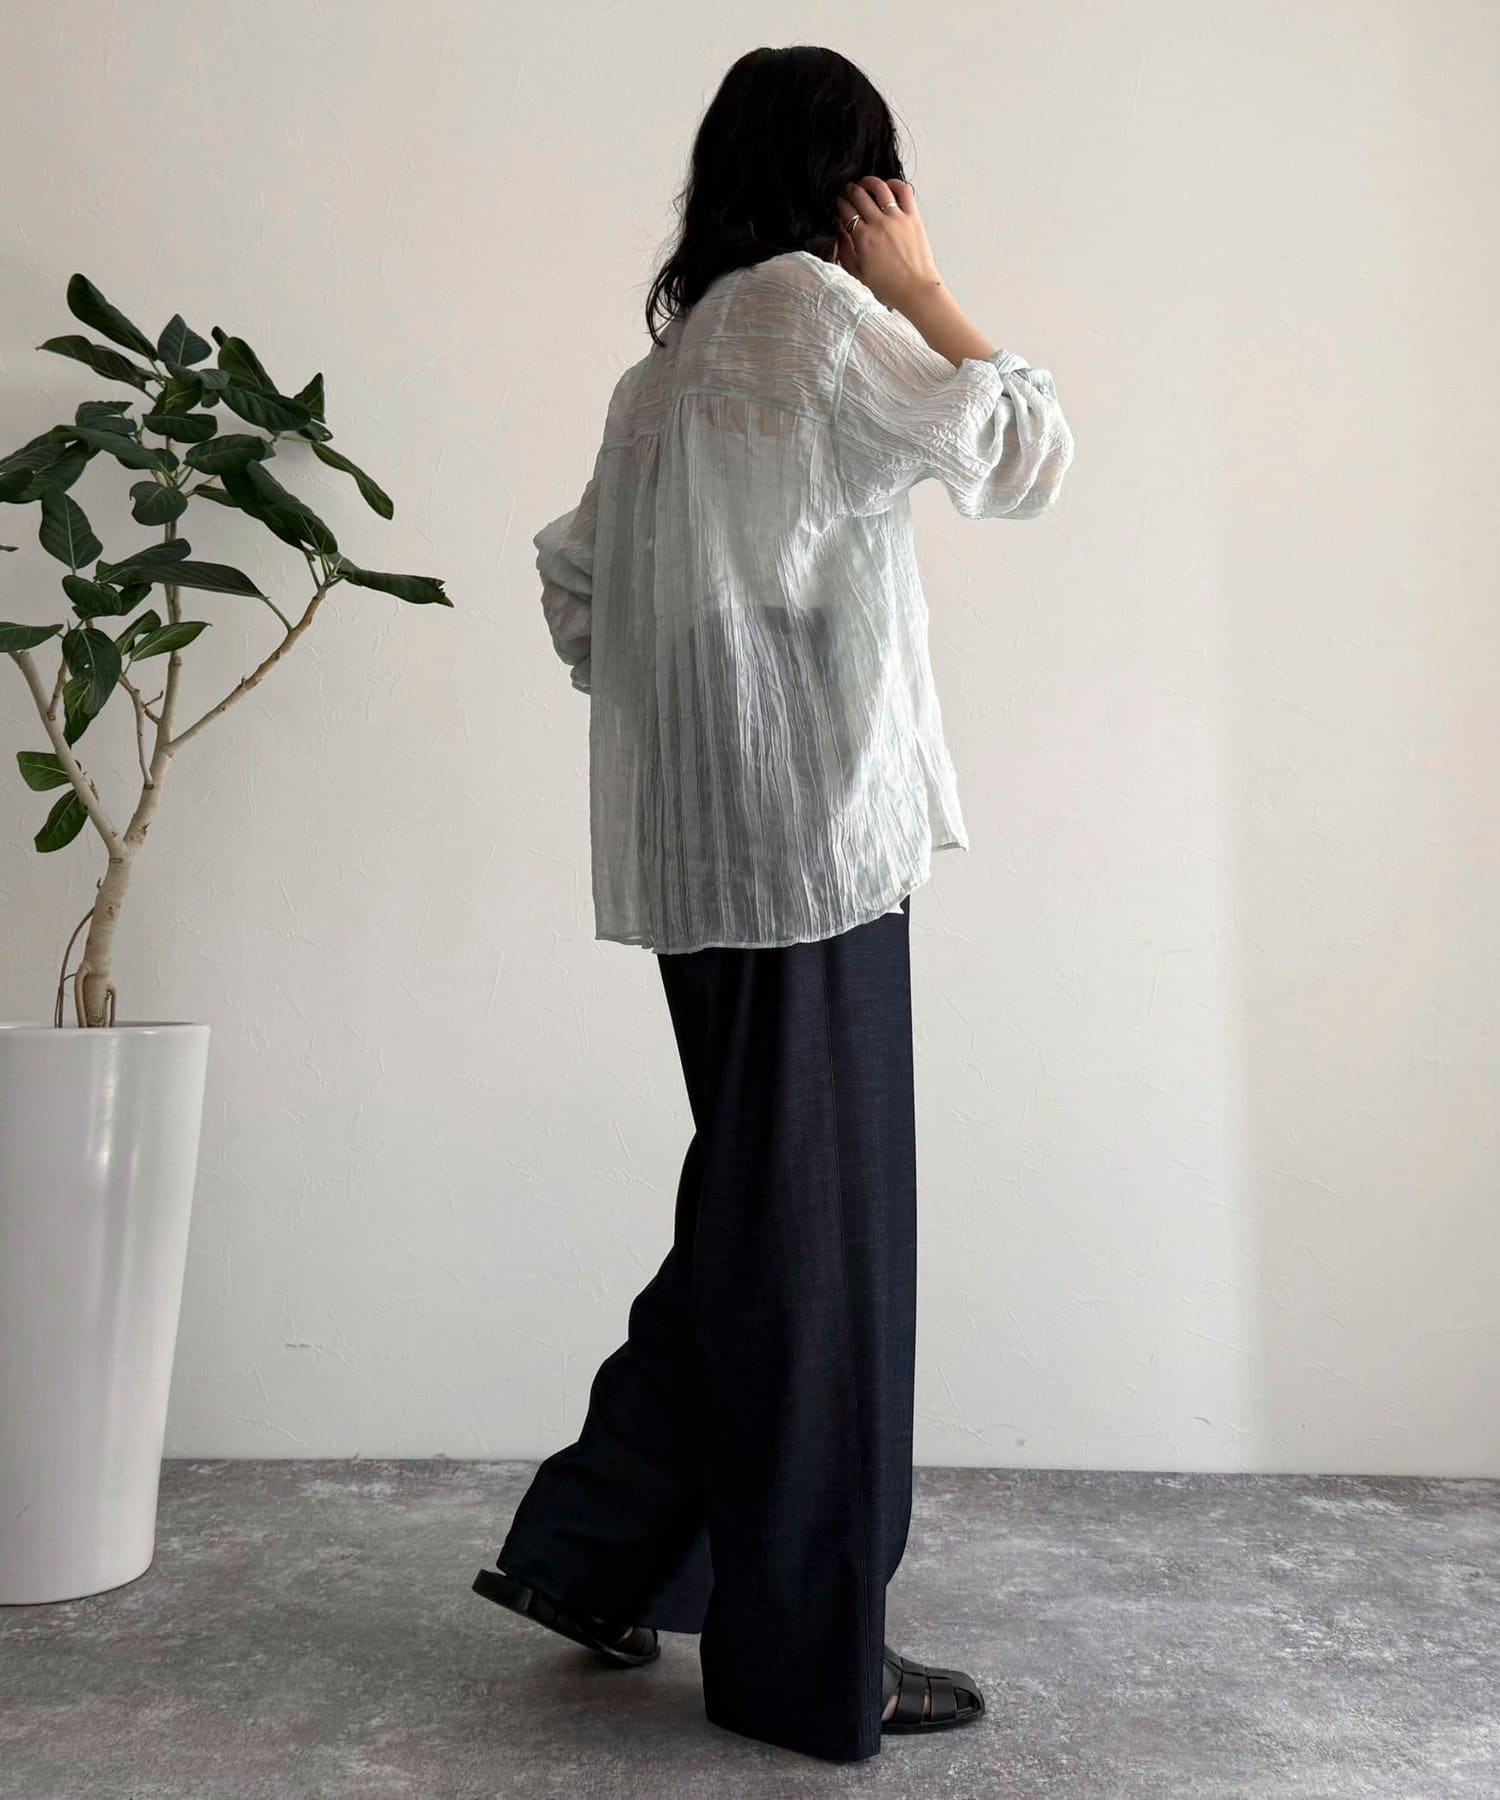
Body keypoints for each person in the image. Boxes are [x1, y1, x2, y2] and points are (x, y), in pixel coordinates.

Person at [474, 44, 1074, 1762]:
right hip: (812, 858)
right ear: (855, 181)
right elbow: (1021, 449)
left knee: (760, 1214)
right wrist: (930, 288)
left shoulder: (661, 377)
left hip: (698, 863)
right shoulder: (820, 316)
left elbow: (574, 583)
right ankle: (810, 1663)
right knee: (825, 1257)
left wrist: (693, 705)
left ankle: (592, 1553)